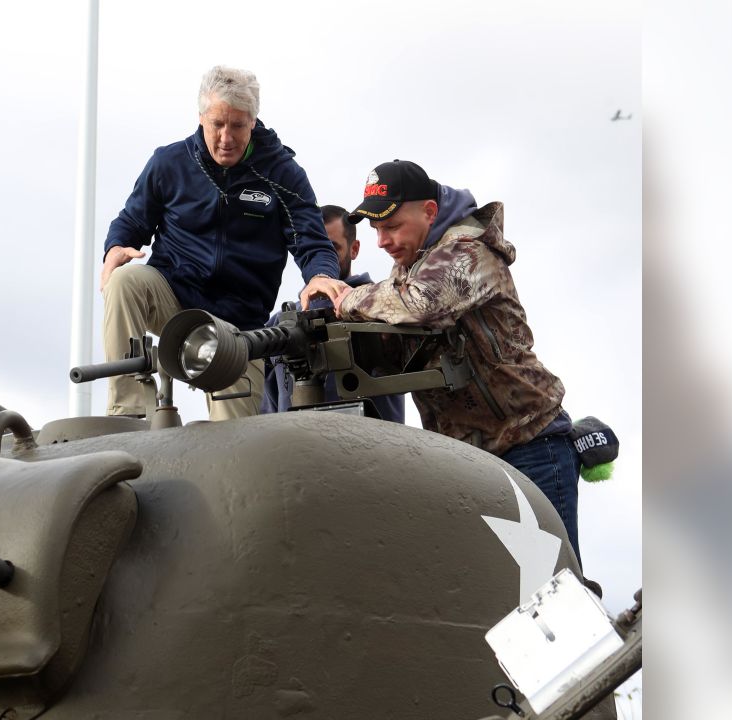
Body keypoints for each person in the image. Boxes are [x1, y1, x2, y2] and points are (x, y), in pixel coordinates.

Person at [334, 159, 583, 560]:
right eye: (376, 229)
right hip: (472, 464)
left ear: (429, 212)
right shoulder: (409, 269)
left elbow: (421, 304)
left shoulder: (469, 252)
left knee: (556, 590)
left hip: (529, 445)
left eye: (392, 225)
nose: (381, 240)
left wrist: (346, 298)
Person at [100, 65, 348, 420]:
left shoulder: (282, 174)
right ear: (201, 118)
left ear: (253, 121)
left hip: (239, 328)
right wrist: (115, 247)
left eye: (237, 125)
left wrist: (321, 274)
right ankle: (128, 412)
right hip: (173, 297)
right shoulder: (169, 163)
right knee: (124, 280)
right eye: (218, 124)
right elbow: (132, 221)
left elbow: (311, 240)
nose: (226, 137)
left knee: (238, 444)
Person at [261, 204, 405, 423]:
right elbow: (269, 406)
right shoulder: (279, 324)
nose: (324, 258)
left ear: (354, 249)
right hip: (297, 450)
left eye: (333, 248)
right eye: (317, 250)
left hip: (374, 449)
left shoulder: (385, 307)